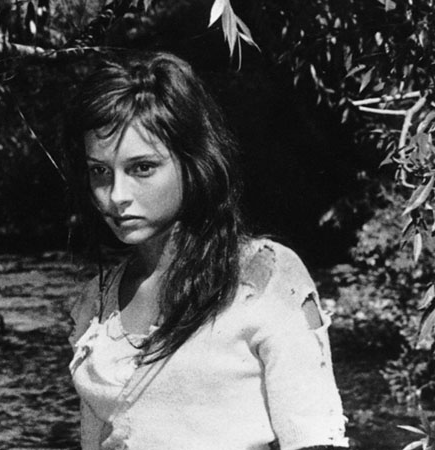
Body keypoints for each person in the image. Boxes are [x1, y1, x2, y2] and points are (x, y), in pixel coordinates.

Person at [64, 52, 349, 449]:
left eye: (142, 168)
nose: (116, 195)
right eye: (100, 171)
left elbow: (316, 438)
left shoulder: (265, 277)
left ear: (193, 161)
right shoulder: (94, 304)